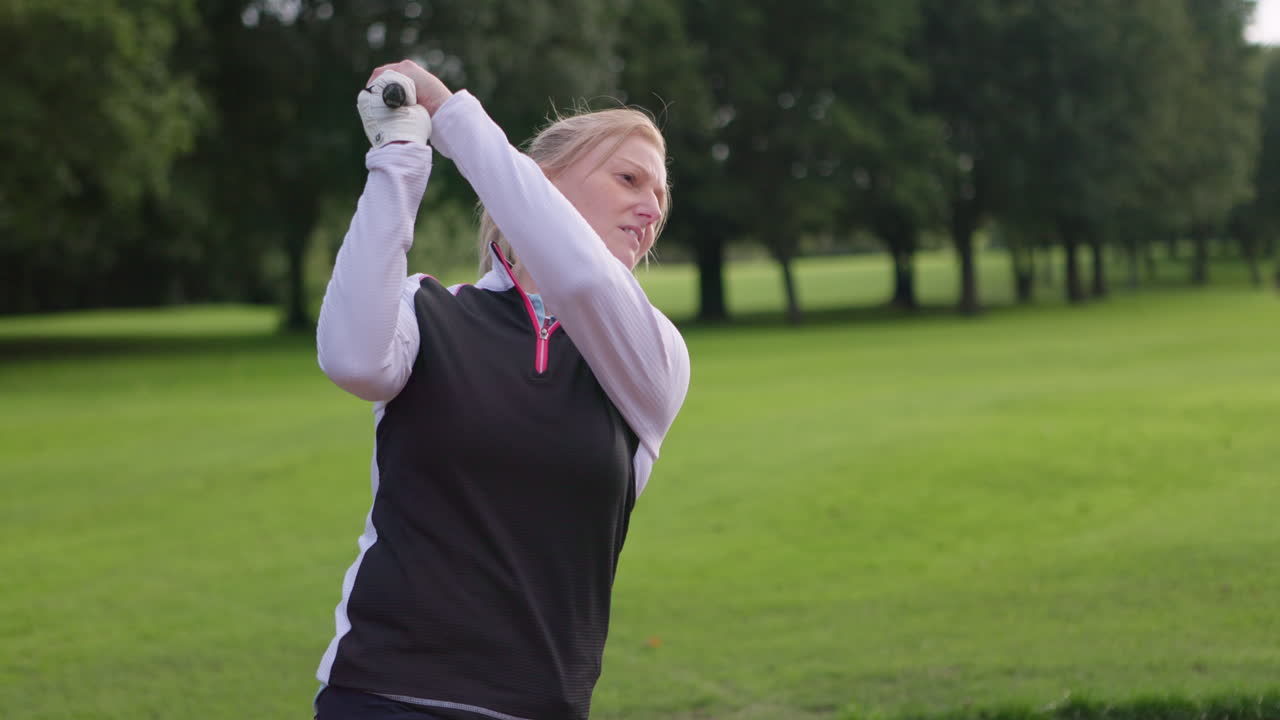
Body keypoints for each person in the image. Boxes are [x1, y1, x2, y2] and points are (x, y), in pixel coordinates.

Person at [312, 60, 691, 720]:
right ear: (539, 185)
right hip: (380, 695)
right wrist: (401, 154)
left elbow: (581, 283)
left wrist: (454, 117)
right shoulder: (431, 311)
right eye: (628, 178)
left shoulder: (651, 355)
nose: (652, 208)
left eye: (659, 194)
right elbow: (351, 358)